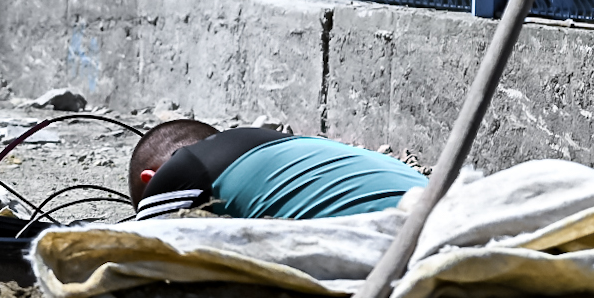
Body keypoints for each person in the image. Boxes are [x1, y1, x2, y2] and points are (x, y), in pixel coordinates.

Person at [125, 120, 427, 224]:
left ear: (152, 180)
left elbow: (143, 246)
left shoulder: (187, 168)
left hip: (404, 234)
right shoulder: (297, 149)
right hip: (447, 204)